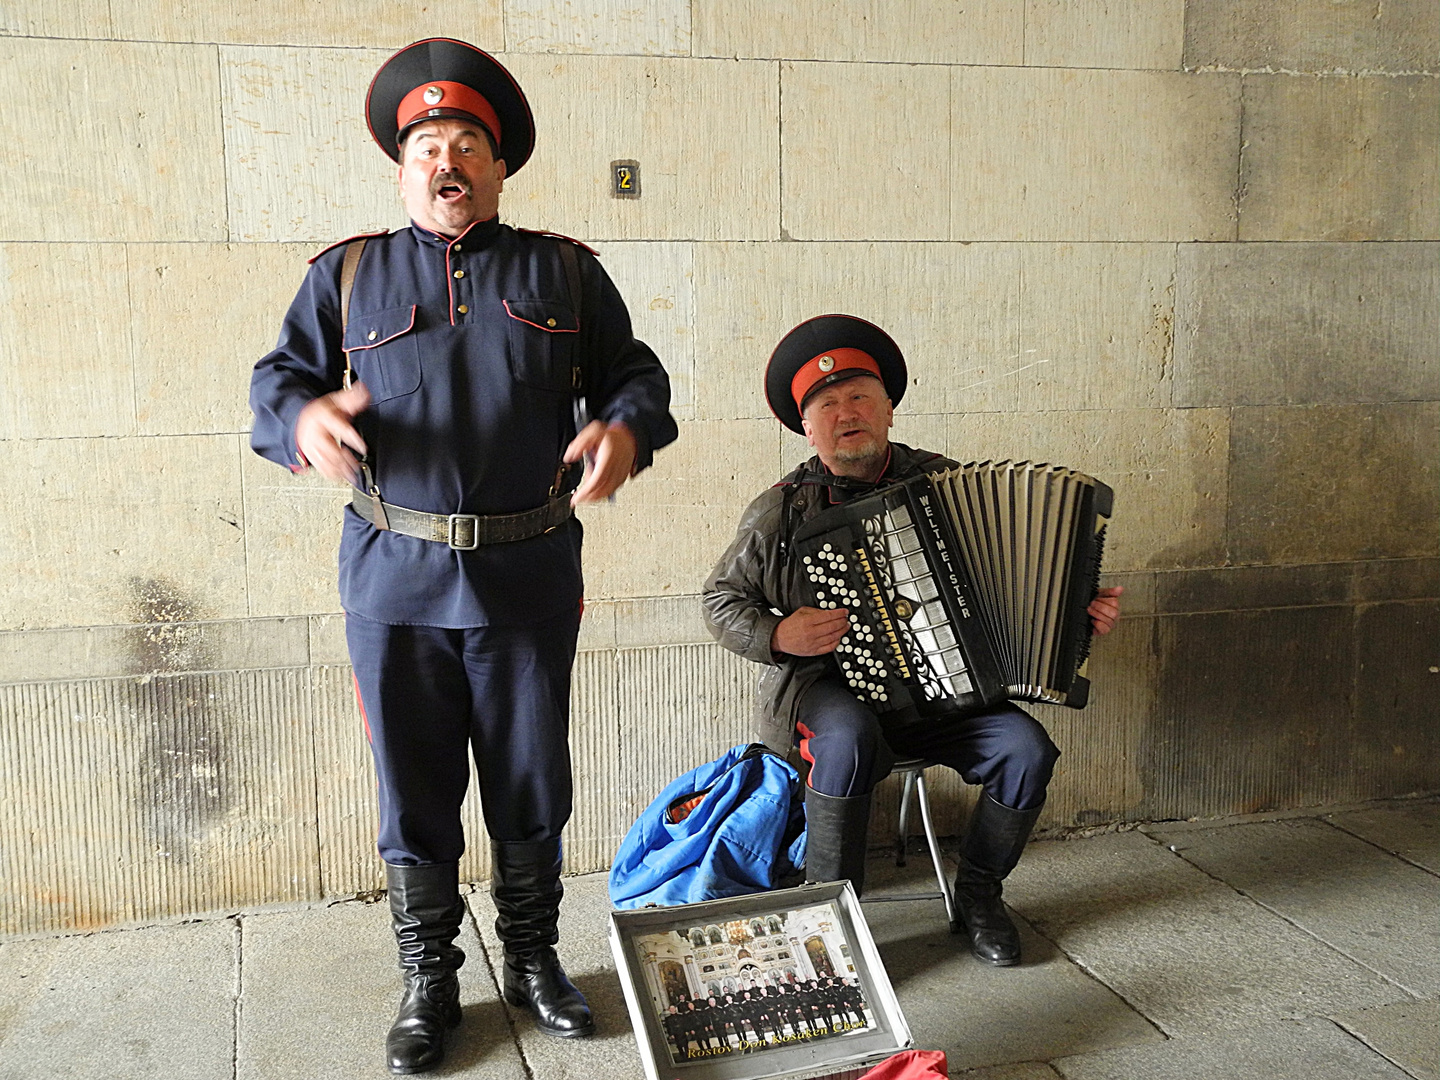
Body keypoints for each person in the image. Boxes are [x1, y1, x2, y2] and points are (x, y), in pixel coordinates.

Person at [249, 37, 677, 1075]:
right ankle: (430, 980)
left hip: (528, 577)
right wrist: (303, 419)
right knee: (415, 787)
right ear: (402, 169)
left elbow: (637, 379)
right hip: (393, 585)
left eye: (468, 145)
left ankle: (533, 962)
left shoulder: (566, 271)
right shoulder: (345, 275)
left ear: (500, 165)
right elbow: (276, 384)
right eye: (427, 146)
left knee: (532, 780)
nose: (447, 163)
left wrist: (624, 429)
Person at [702, 315, 1119, 969]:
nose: (847, 415)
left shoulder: (943, 485)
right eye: (828, 406)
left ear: (888, 408)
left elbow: (1013, 577)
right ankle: (830, 925)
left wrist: (1075, 616)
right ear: (806, 428)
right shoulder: (783, 511)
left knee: (1026, 749)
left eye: (860, 397)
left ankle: (979, 896)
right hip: (831, 693)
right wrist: (777, 632)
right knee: (845, 739)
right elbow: (720, 601)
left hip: (948, 694)